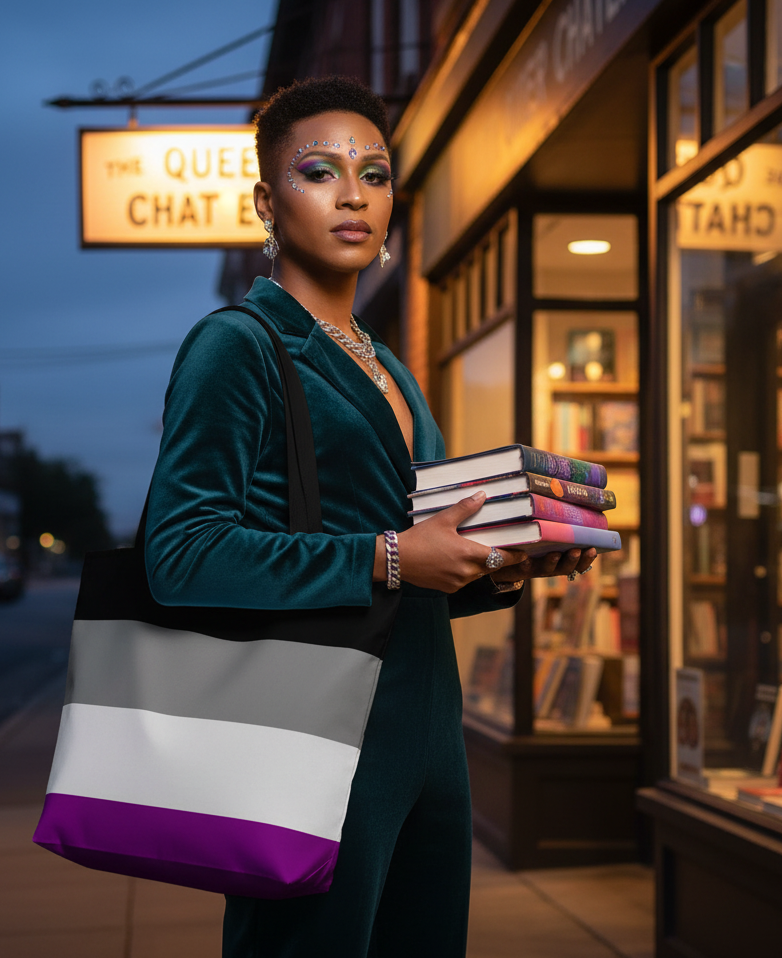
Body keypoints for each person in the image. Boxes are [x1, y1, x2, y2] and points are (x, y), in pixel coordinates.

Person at [144, 75, 595, 958]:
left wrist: (504, 561)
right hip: (314, 734)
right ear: (267, 204)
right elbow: (181, 554)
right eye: (320, 171)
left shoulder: (390, 367)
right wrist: (390, 556)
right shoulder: (238, 346)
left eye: (376, 174)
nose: (354, 194)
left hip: (430, 740)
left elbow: (420, 568)